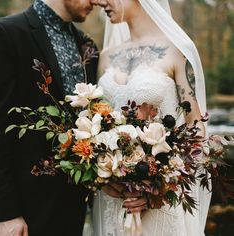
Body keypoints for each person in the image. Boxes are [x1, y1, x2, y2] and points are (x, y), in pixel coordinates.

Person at [90, 0, 211, 235]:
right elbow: (97, 123)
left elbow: (196, 129)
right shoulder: (106, 56)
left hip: (161, 200)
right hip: (115, 199)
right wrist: (105, 176)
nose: (100, 2)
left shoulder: (177, 49)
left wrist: (160, 187)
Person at [0, 0, 98, 235]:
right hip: (24, 211)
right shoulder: (8, 33)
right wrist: (5, 212)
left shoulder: (87, 46)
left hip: (74, 208)